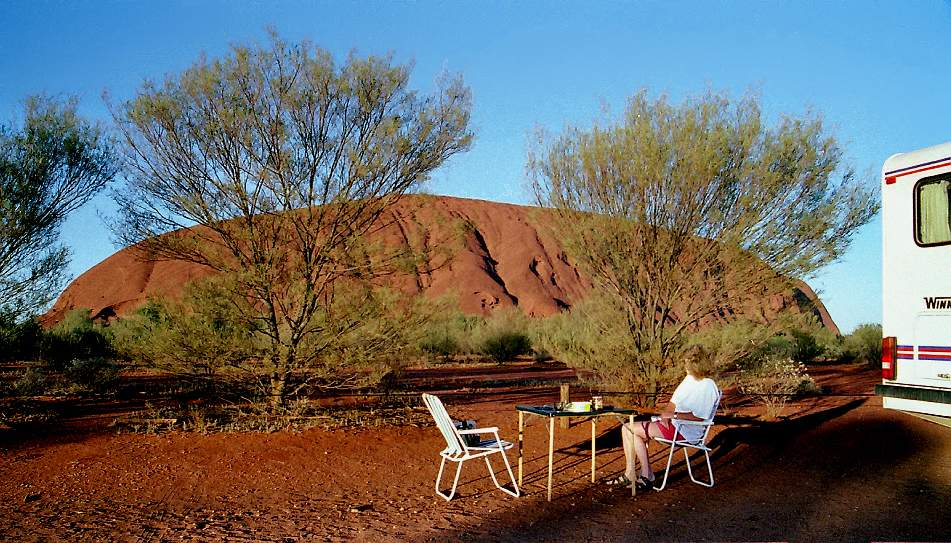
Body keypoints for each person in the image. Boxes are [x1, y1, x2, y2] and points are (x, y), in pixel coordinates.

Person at [607, 345, 720, 491]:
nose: (685, 366)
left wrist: (672, 415)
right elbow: (673, 403)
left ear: (696, 364)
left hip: (687, 432)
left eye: (687, 363)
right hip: (674, 425)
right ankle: (634, 474)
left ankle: (646, 475)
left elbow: (700, 417)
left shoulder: (708, 385)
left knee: (630, 429)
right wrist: (666, 415)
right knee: (628, 428)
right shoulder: (689, 379)